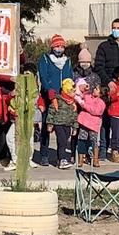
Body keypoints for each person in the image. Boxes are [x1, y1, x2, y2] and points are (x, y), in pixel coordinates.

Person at [36, 36, 73, 166]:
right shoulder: (45, 59)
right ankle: (44, 154)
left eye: (62, 46)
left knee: (64, 127)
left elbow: (69, 78)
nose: (60, 49)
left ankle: (61, 156)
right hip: (49, 97)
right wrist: (49, 91)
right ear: (52, 47)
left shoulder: (67, 61)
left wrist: (70, 93)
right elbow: (44, 76)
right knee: (47, 126)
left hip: (64, 98)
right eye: (57, 46)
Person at [47, 76, 78, 169]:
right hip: (58, 124)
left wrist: (75, 127)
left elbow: (74, 116)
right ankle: (62, 160)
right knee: (62, 141)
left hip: (68, 125)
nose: (74, 93)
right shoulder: (58, 100)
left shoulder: (72, 103)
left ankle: (60, 159)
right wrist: (50, 124)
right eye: (72, 91)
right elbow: (51, 112)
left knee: (64, 141)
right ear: (67, 91)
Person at [74, 78, 105, 169]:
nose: (94, 90)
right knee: (82, 140)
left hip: (93, 125)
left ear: (101, 93)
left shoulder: (101, 103)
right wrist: (84, 88)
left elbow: (96, 111)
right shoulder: (87, 96)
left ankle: (95, 159)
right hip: (84, 122)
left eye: (96, 89)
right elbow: (79, 94)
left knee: (94, 141)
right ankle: (80, 159)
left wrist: (84, 105)